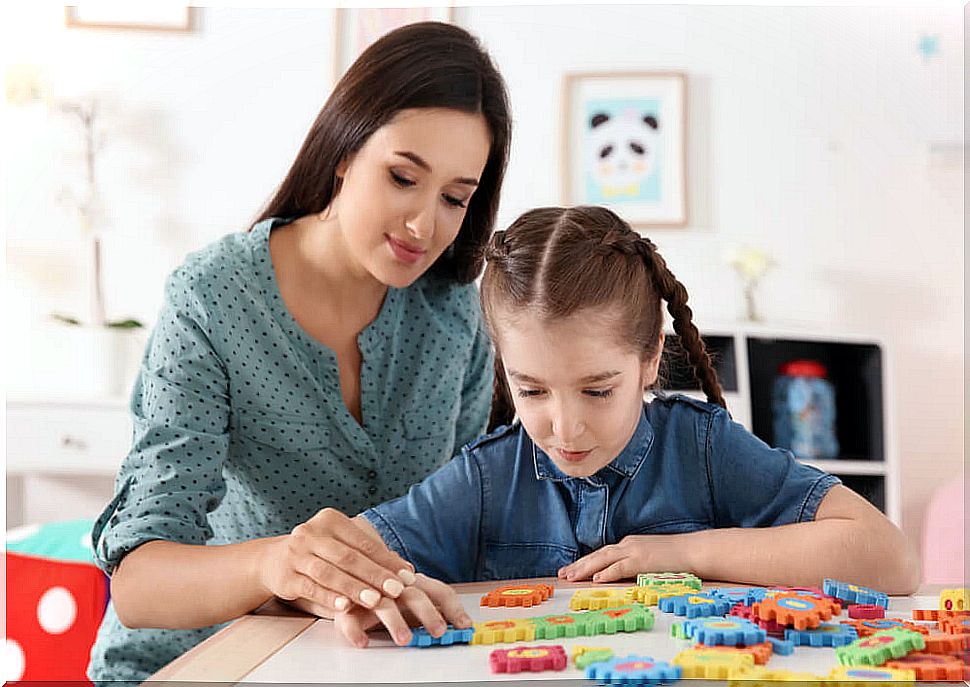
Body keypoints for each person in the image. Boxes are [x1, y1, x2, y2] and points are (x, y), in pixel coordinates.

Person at [87, 22, 511, 683]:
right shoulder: (214, 297)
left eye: (456, 197)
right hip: (196, 661)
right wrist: (273, 563)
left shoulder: (454, 315)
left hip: (363, 663)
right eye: (403, 177)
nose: (425, 225)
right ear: (343, 150)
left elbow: (460, 525)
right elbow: (139, 582)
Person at [331, 205, 921, 648]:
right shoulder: (485, 479)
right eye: (532, 390)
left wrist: (684, 553)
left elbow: (890, 559)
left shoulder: (703, 448)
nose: (566, 428)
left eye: (597, 390)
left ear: (648, 359)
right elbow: (338, 563)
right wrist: (370, 591)